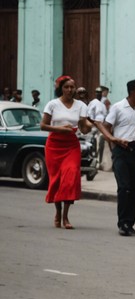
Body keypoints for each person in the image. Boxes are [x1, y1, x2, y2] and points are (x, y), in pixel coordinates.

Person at [93, 79, 135, 236]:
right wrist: (113, 142)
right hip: (120, 150)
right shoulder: (117, 107)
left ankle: (130, 223)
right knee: (124, 187)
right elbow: (106, 127)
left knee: (134, 188)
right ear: (132, 92)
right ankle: (123, 223)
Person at [41, 75, 92, 229]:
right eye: (66, 87)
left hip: (71, 145)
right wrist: (59, 129)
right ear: (60, 89)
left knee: (70, 178)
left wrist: (89, 125)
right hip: (54, 145)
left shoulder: (81, 105)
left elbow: (83, 129)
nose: (70, 90)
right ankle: (57, 212)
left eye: (72, 87)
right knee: (56, 180)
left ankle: (65, 217)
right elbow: (43, 126)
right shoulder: (52, 104)